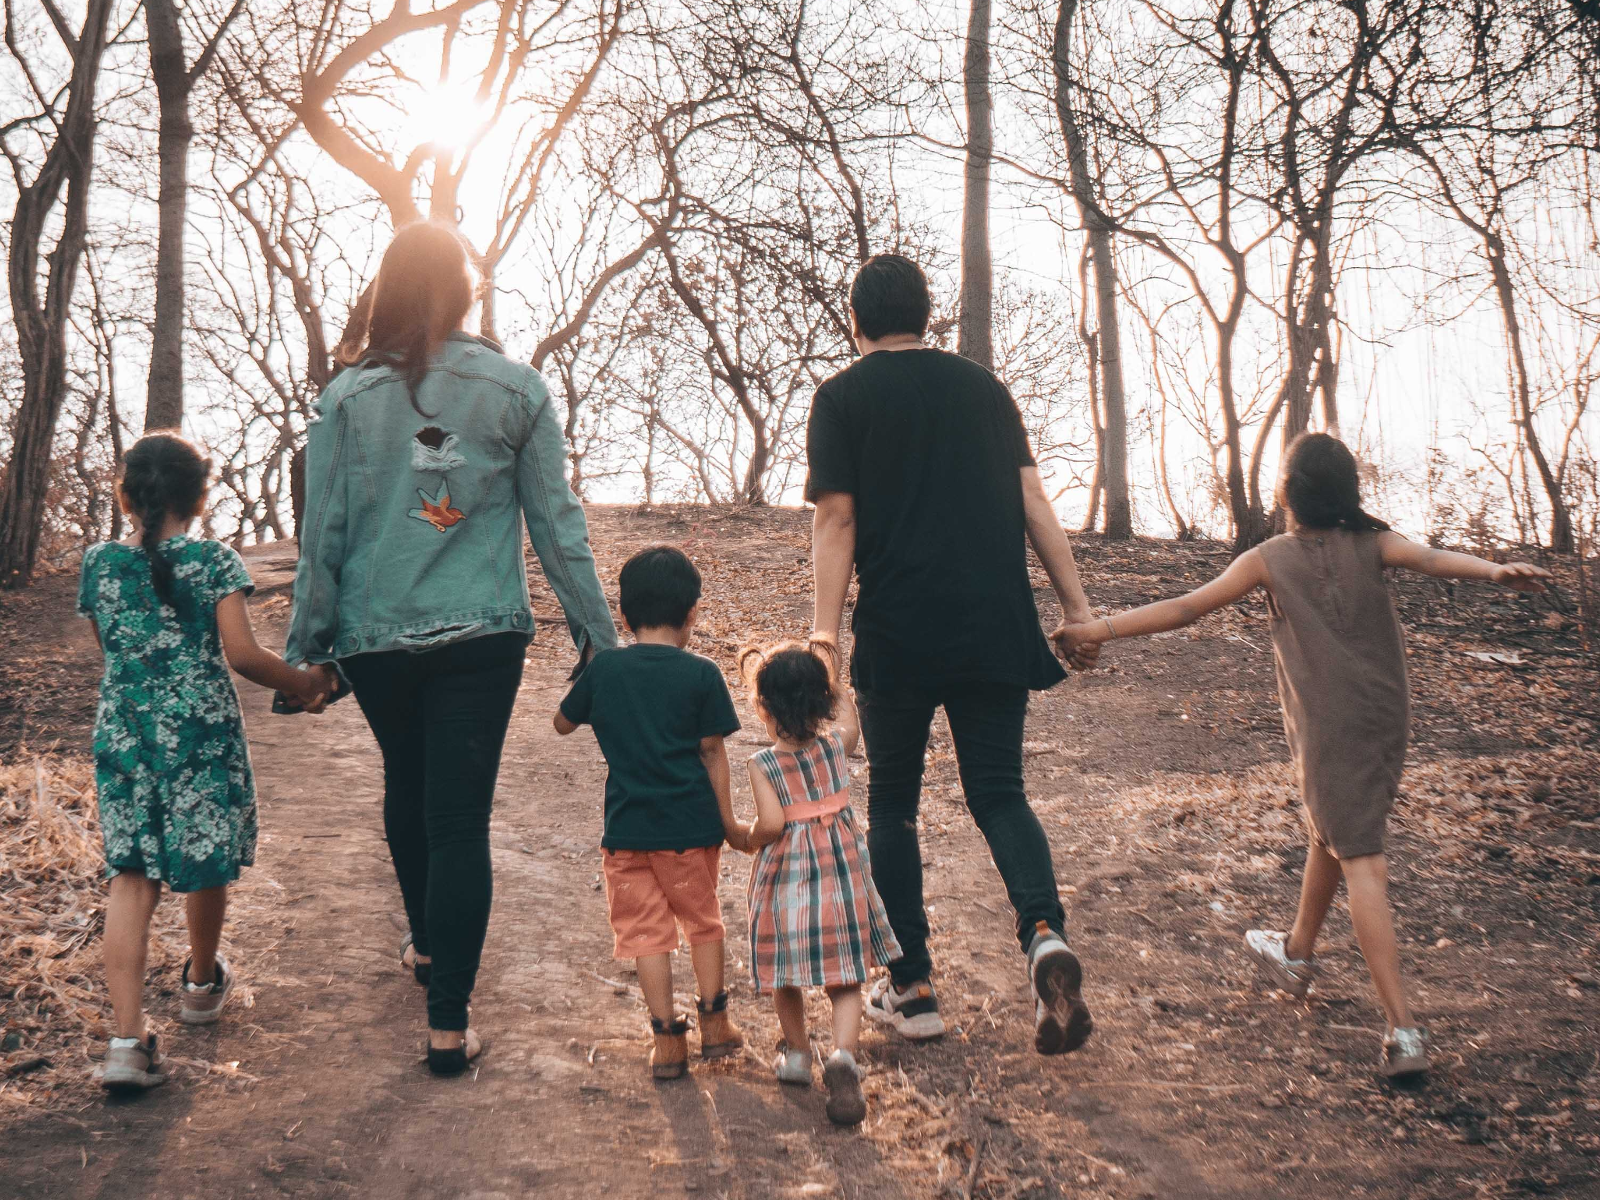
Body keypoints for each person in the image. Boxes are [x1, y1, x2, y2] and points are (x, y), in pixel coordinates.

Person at [1055, 432, 1551, 1078]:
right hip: (1384, 717)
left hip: (1330, 725)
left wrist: (1099, 628)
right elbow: (1429, 558)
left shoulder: (1270, 558)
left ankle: (1403, 1032)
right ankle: (1295, 952)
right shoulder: (1374, 543)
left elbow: (1187, 608)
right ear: (1349, 492)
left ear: (1286, 494)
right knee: (1337, 830)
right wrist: (1493, 569)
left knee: (1361, 858)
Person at [285, 220, 616, 1076]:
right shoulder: (516, 389)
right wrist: (596, 637)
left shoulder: (346, 398)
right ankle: (447, 1021)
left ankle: (430, 944)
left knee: (409, 782)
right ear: (466, 292)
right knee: (459, 815)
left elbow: (323, 530)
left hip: (377, 637)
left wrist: (310, 650)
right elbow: (558, 527)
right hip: (481, 636)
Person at [807, 253, 1097, 1056]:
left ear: (855, 321)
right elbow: (1034, 501)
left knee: (893, 804)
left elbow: (836, 521)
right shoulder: (985, 390)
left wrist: (825, 635)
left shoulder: (840, 398)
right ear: (927, 317)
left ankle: (914, 990)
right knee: (1000, 793)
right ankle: (1042, 933)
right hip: (994, 624)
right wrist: (1075, 608)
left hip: (899, 630)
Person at [79, 433, 331, 1092]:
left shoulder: (99, 564)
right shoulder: (214, 561)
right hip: (198, 733)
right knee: (206, 855)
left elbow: (115, 644)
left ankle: (127, 1043)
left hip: (126, 732)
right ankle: (199, 982)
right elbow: (244, 657)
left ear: (127, 494)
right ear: (199, 494)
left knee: (131, 875)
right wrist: (305, 683)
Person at [554, 546, 745, 1080]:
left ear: (623, 615)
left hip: (626, 831)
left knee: (646, 934)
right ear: (691, 614)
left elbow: (561, 724)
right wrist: (729, 821)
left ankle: (666, 1043)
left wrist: (595, 682)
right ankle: (716, 1027)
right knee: (703, 921)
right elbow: (712, 750)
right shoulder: (702, 674)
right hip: (690, 828)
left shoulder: (607, 670)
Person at [732, 638, 901, 1125]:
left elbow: (769, 826)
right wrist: (838, 679)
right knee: (846, 974)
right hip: (840, 875)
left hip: (787, 878)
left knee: (786, 971)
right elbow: (851, 720)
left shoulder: (762, 765)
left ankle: (799, 1055)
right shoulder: (836, 745)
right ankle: (844, 1056)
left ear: (762, 708)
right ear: (824, 702)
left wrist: (741, 837)